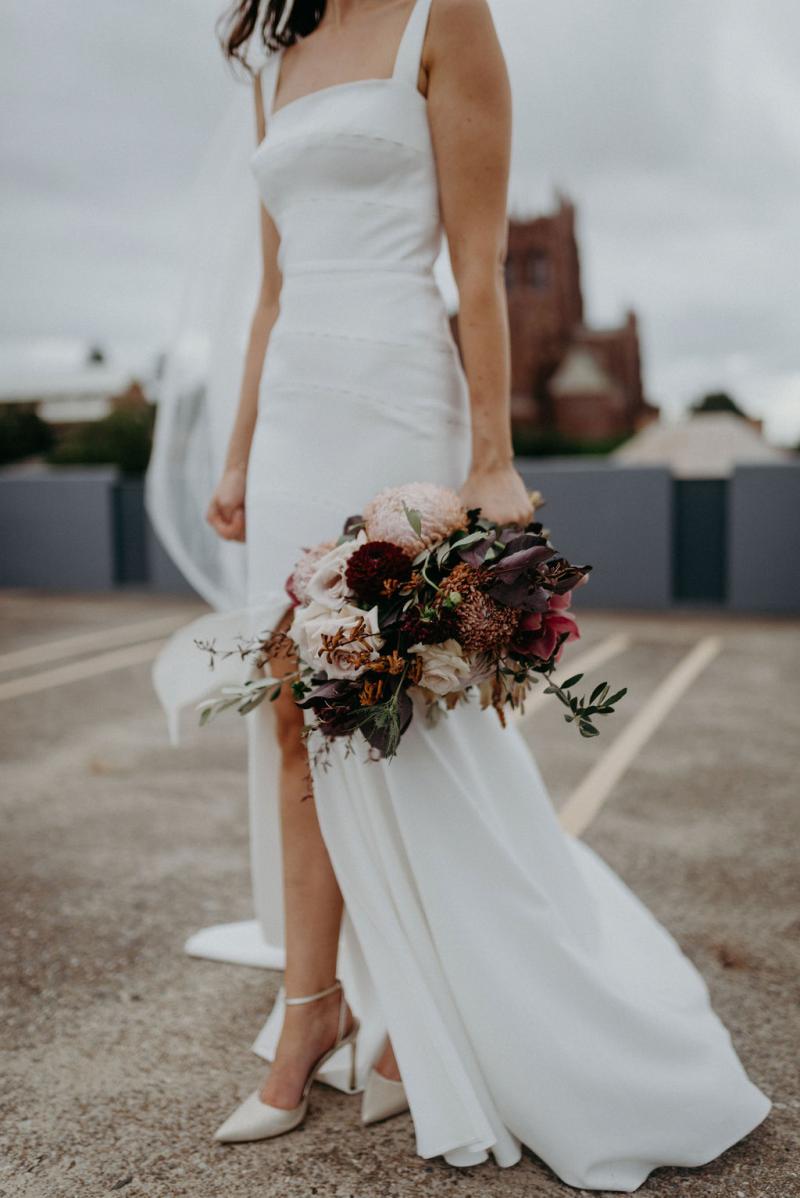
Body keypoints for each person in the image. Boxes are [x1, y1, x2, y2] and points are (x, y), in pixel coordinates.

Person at [162, 0, 771, 1188]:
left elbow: (477, 260)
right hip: (294, 413)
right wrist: (237, 451)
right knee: (293, 709)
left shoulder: (446, 17)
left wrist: (488, 456)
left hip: (396, 394)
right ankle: (312, 1013)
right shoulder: (273, 58)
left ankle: (428, 1015)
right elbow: (273, 289)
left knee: (396, 719)